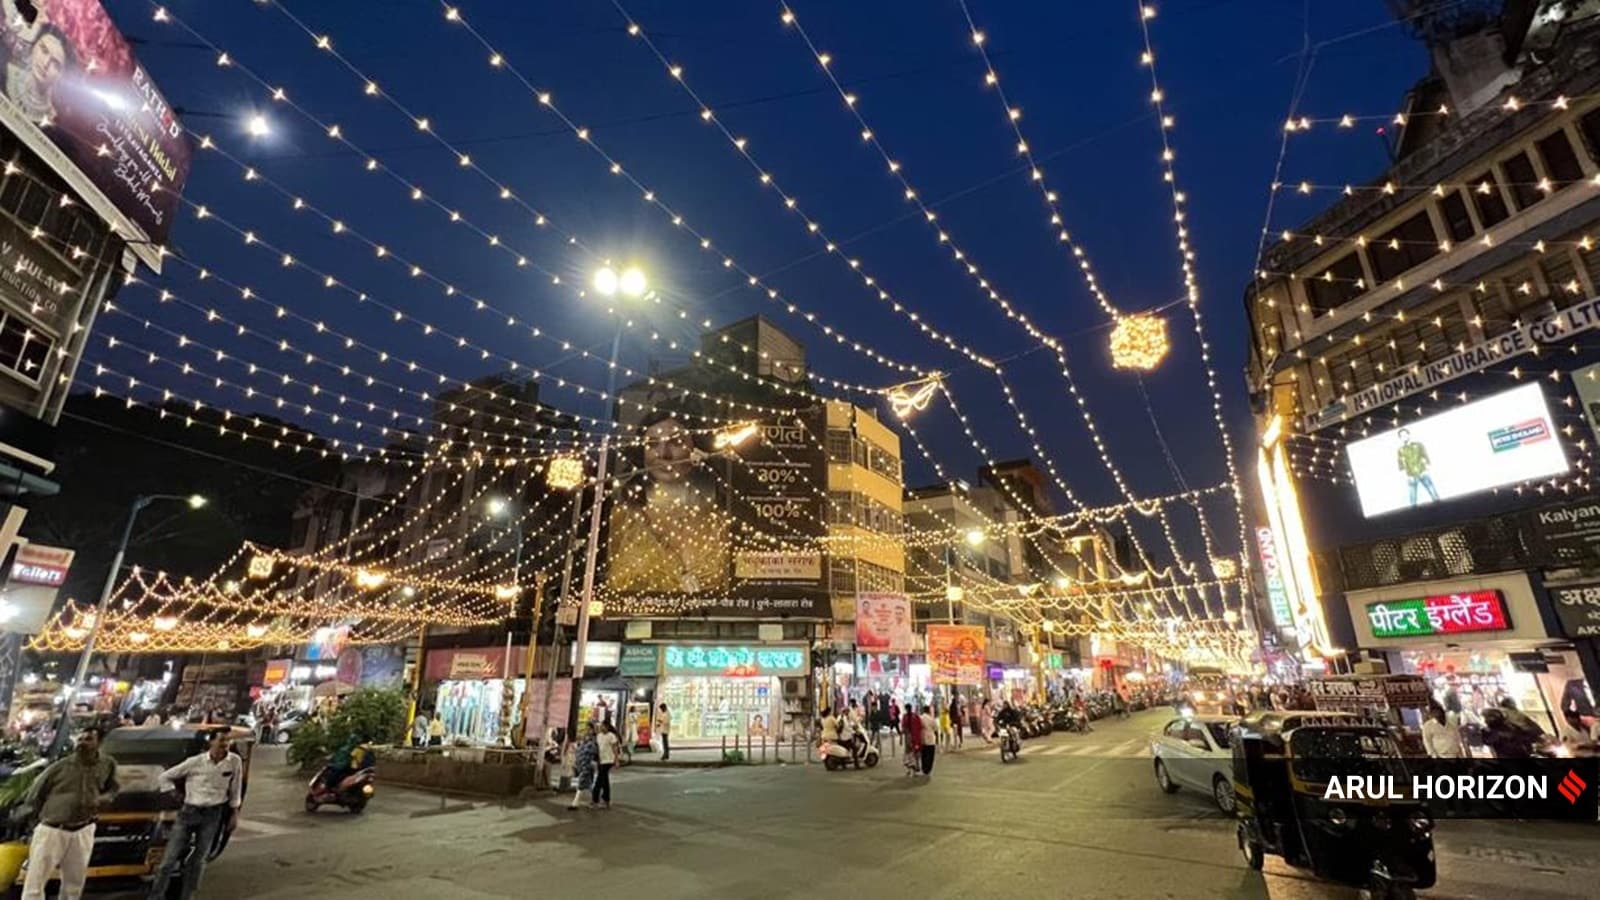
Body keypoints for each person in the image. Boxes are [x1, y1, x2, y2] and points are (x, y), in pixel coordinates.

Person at [20, 725, 118, 900]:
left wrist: (102, 799)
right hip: (53, 829)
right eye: (79, 739)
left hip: (83, 830)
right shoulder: (60, 767)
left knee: (74, 883)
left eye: (88, 739)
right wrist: (38, 821)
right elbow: (35, 794)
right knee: (35, 882)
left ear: (99, 742)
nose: (82, 743)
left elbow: (113, 788)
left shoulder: (107, 764)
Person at [147, 728, 243, 900]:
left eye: (228, 741)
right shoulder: (195, 762)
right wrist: (173, 794)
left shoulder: (234, 762)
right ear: (211, 742)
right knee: (168, 861)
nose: (225, 745)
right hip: (189, 812)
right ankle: (156, 896)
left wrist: (234, 814)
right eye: (221, 740)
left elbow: (235, 789)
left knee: (199, 861)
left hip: (213, 814)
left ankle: (188, 896)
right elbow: (165, 777)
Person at [1396, 428, 1439, 507]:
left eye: (1405, 435)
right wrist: (1406, 477)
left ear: (1409, 435)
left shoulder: (1419, 445)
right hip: (1411, 476)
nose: (1404, 437)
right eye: (1402, 436)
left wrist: (1427, 470)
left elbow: (1426, 457)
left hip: (1422, 472)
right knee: (1413, 501)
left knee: (1434, 495)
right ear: (1400, 438)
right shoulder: (1400, 450)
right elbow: (1401, 466)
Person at [569, 725, 598, 810]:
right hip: (581, 764)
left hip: (587, 765)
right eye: (586, 729)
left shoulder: (593, 741)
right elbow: (579, 752)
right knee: (589, 785)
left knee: (581, 783)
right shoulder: (583, 742)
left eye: (589, 729)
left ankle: (575, 803)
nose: (587, 731)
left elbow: (595, 752)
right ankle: (595, 799)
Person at [592, 722, 620, 809]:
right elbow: (599, 749)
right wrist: (598, 759)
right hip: (602, 760)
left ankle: (595, 800)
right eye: (600, 726)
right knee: (605, 781)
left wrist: (616, 760)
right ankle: (606, 800)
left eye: (603, 726)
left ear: (607, 727)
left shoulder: (611, 736)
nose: (601, 728)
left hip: (609, 760)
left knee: (599, 780)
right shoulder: (599, 736)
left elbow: (615, 748)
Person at [900, 703, 923, 776]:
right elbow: (920, 726)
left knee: (908, 753)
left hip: (908, 737)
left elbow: (903, 728)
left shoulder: (905, 717)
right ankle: (917, 767)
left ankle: (909, 770)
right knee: (916, 752)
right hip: (916, 737)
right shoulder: (915, 716)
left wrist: (902, 737)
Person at [919, 706, 938, 776]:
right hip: (931, 739)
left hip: (923, 738)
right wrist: (937, 740)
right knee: (930, 755)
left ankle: (924, 768)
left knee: (924, 755)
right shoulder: (931, 718)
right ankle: (928, 769)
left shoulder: (920, 718)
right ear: (929, 710)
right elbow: (936, 729)